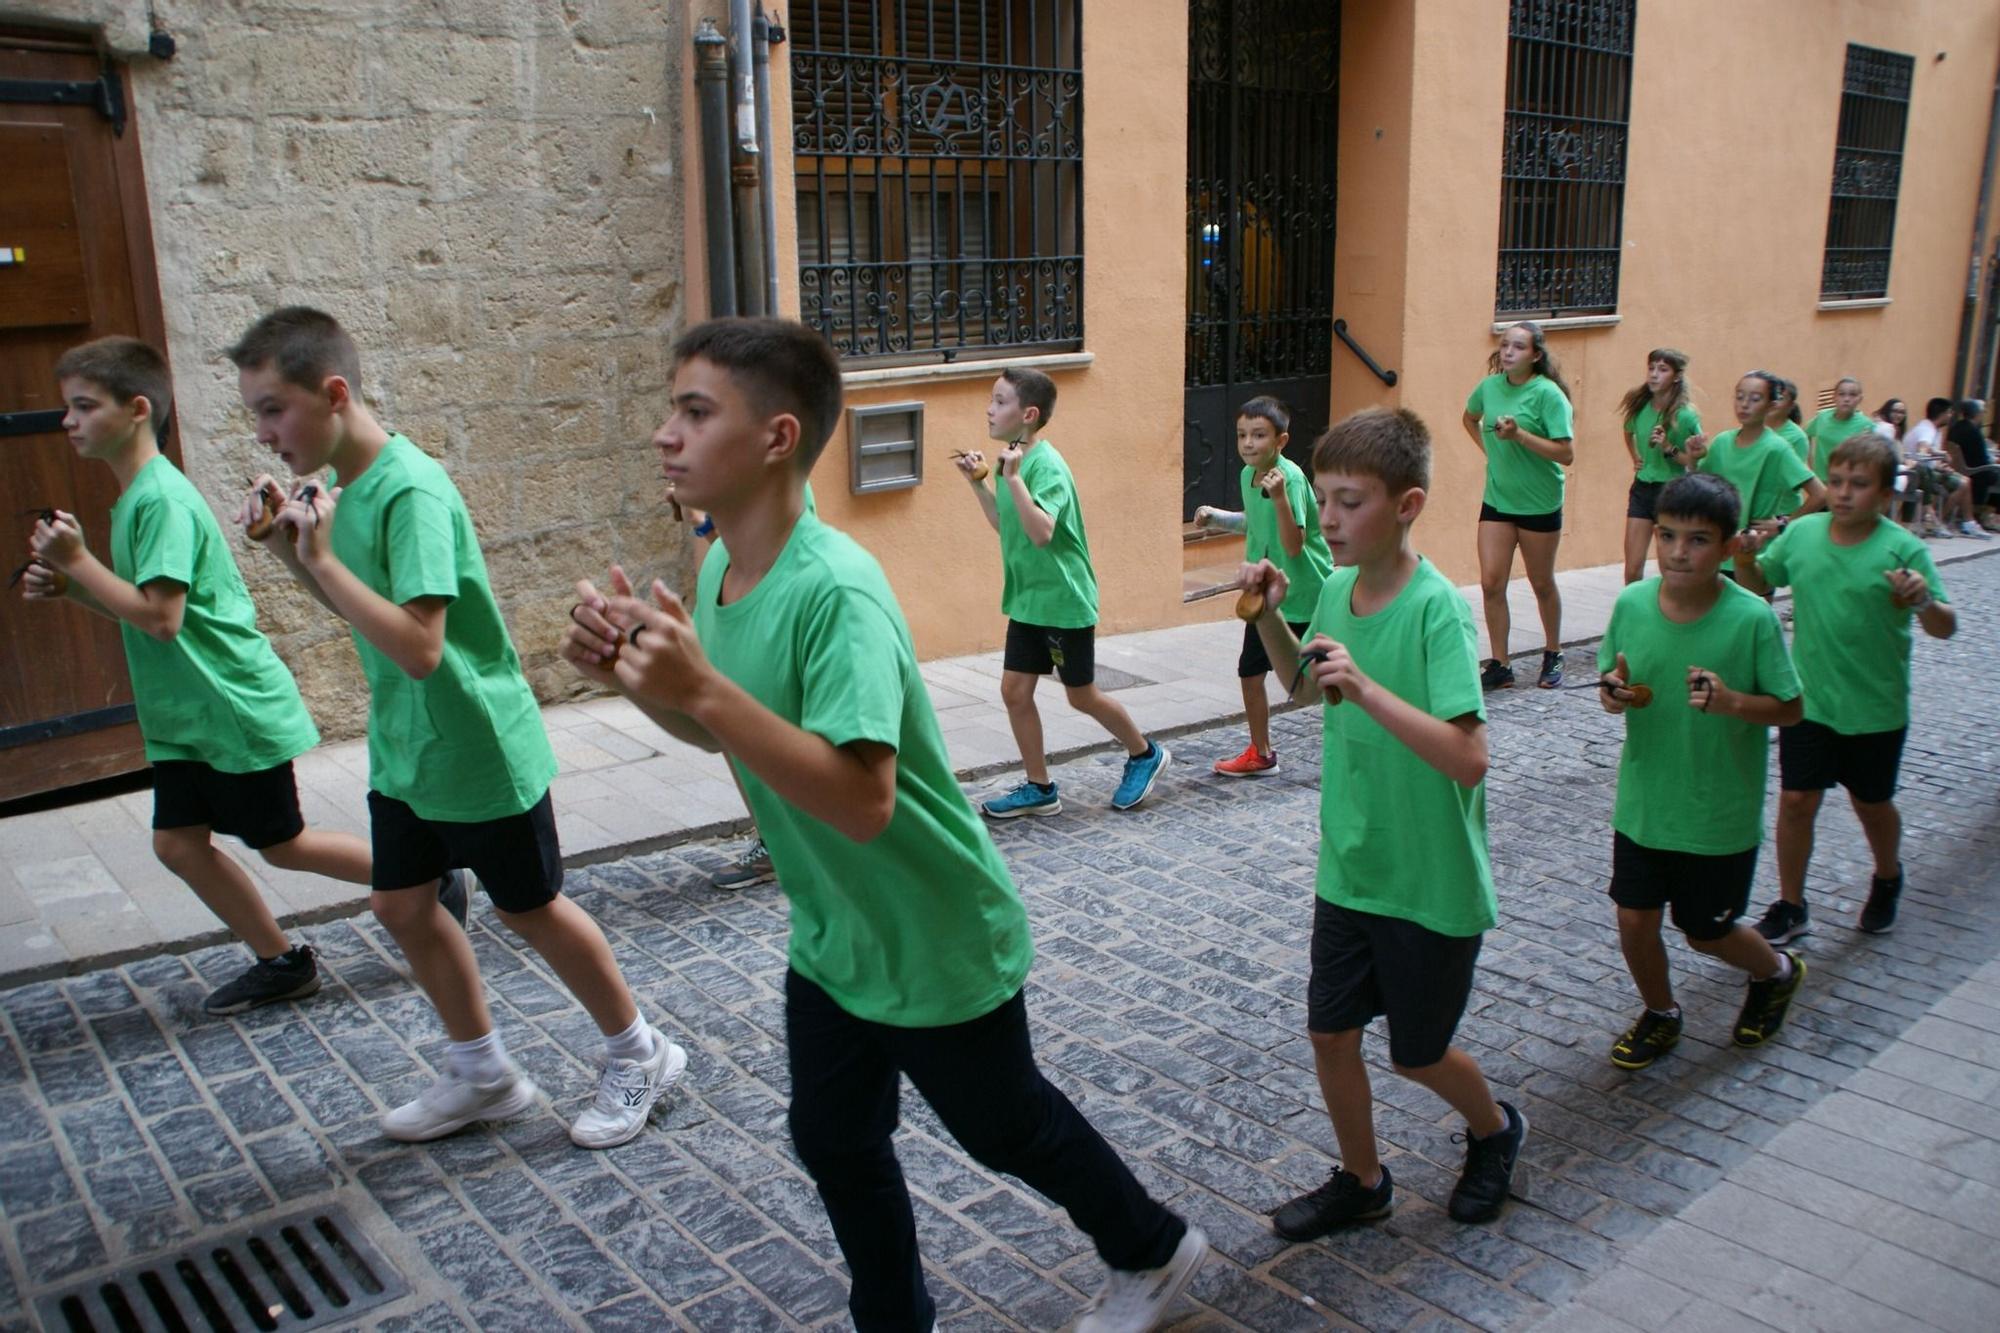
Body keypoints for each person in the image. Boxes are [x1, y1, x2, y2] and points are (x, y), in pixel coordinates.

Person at [563, 317, 1207, 1333]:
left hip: (932, 927)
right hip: (835, 935)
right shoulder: (722, 580)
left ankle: (1153, 1247)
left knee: (1006, 1128)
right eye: (670, 410)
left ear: (775, 437)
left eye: (694, 411)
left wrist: (700, 688)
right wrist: (639, 684)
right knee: (833, 1138)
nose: (663, 434)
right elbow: (724, 737)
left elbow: (862, 799)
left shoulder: (837, 590)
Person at [232, 307, 682, 1149]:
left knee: (532, 907)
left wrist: (321, 559)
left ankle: (642, 1050)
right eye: (255, 413)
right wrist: (291, 553)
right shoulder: (350, 492)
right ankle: (483, 1074)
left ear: (333, 393)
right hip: (408, 748)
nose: (262, 434)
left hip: (475, 744)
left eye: (271, 409)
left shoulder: (411, 490)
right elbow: (359, 615)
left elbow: (419, 644)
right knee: (401, 904)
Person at [22, 336, 375, 1016]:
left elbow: (160, 617)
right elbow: (148, 608)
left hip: (230, 706)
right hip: (190, 717)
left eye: (83, 406)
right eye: (67, 407)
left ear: (136, 410)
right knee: (179, 844)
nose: (67, 421)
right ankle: (281, 960)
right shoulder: (135, 499)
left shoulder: (161, 500)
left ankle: (420, 878)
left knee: (284, 844)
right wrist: (75, 589)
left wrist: (76, 563)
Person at [1238, 407, 1526, 1239]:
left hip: (1429, 879)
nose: (1326, 518)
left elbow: (1469, 757)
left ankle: (1496, 1128)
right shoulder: (1332, 585)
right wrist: (1268, 616)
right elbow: (1304, 686)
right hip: (1352, 864)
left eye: (1348, 501)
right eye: (1323, 498)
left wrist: (1367, 688)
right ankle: (1364, 1180)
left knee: (1417, 1051)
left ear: (1407, 505)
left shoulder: (1438, 610)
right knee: (1330, 1031)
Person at [1596, 473, 1807, 1070]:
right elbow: (1614, 684)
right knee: (1634, 920)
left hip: (1717, 815)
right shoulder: (1632, 604)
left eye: (1697, 540)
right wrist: (1615, 695)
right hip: (1644, 804)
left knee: (1705, 932)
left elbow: (1791, 708)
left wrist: (1734, 703)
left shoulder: (1751, 619)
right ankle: (1661, 1013)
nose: (1678, 552)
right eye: (1667, 536)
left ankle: (1776, 970)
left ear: (1729, 546)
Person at [1735, 435, 1954, 941]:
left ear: (1882, 496)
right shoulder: (1804, 534)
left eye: (1858, 485)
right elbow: (1757, 586)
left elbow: (1945, 626)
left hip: (1876, 708)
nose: (1843, 493)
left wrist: (1924, 601)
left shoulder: (1903, 548)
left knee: (1872, 804)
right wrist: (1746, 556)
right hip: (1809, 703)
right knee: (1795, 802)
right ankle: (1791, 903)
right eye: (1836, 482)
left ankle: (1887, 875)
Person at [955, 368, 1171, 817]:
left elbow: (1040, 532)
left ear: (1028, 414)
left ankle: (1144, 753)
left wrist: (1011, 480)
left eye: (999, 401)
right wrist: (980, 484)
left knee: (1081, 695)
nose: (989, 409)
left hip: (1063, 602)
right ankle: (1040, 788)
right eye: (991, 400)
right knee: (1015, 692)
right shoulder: (1011, 458)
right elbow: (1006, 525)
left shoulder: (1045, 465)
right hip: (1028, 600)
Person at [1192, 396, 1333, 775]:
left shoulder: (1292, 479)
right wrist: (1216, 518)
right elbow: (1256, 522)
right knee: (1250, 673)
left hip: (1307, 596)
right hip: (1266, 600)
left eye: (1258, 435)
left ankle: (1353, 746)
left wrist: (1282, 495)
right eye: (1242, 435)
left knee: (1324, 683)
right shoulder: (1246, 475)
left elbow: (1293, 543)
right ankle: (1261, 752)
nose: (1248, 443)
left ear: (1281, 441)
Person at [1463, 321, 1575, 689]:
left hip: (1539, 502)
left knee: (1541, 582)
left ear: (1536, 355)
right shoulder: (1489, 387)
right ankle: (1500, 663)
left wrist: (1520, 436)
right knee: (1492, 582)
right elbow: (1470, 417)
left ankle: (1553, 651)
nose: (1508, 352)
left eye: (1518, 347)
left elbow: (1566, 453)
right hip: (1498, 499)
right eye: (1505, 345)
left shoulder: (1548, 395)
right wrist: (1490, 453)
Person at [1686, 371, 1825, 579]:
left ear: (1771, 405)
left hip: (1756, 553)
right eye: (1740, 396)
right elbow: (1699, 482)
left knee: (1752, 610)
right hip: (1720, 548)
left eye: (1755, 399)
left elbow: (1820, 494)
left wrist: (1784, 524)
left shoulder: (1777, 448)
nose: (1744, 404)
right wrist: (1692, 459)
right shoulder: (1723, 442)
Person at [1616, 348, 1701, 584]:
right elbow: (1627, 432)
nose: (1654, 375)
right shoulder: (1640, 407)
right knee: (1632, 569)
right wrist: (1635, 456)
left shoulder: (1685, 417)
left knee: (1669, 566)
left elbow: (1694, 463)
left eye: (1662, 370)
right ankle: (1634, 616)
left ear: (1676, 376)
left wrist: (1668, 448)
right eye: (1651, 368)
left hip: (1672, 492)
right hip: (1643, 488)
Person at [1905, 397, 1970, 536]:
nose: (1951, 416)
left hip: (1929, 471)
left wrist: (1942, 467)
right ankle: (1935, 520)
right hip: (1919, 473)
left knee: (1965, 481)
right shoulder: (1926, 429)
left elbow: (1930, 460)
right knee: (1963, 484)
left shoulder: (1934, 429)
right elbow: (1923, 448)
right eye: (1950, 412)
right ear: (1943, 413)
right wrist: (1941, 453)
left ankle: (1939, 520)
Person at [1943, 398, 2000, 535]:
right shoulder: (1973, 432)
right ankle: (1989, 514)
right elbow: (1982, 460)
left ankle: (1984, 514)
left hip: (1962, 468)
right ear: (1977, 414)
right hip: (1975, 472)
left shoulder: (1956, 427)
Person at [1804, 376, 1874, 483]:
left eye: (1853, 395)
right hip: (1821, 482)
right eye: (1842, 394)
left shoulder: (1867, 426)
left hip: (1847, 484)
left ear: (1860, 398)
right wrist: (1810, 465)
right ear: (1834, 397)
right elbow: (1805, 434)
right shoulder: (1822, 417)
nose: (1846, 399)